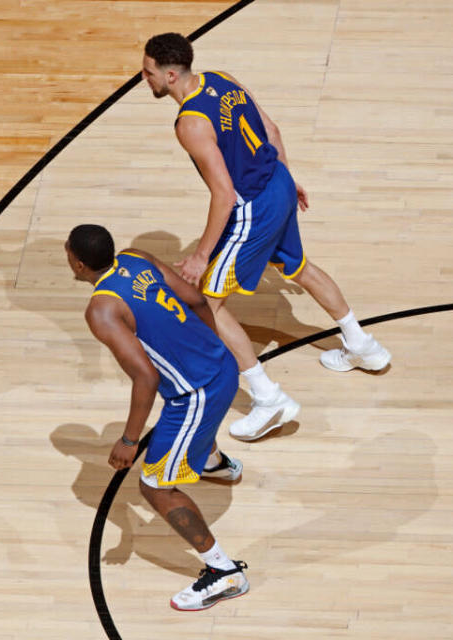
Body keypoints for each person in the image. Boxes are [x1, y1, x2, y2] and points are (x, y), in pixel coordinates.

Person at [140, 33, 391, 441]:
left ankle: (267, 398)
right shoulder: (223, 79)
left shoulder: (190, 122)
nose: (143, 77)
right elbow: (271, 129)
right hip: (276, 182)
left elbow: (223, 195)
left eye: (147, 71)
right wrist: (288, 181)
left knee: (207, 303)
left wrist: (202, 255)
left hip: (252, 206)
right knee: (299, 267)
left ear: (169, 75)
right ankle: (364, 346)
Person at [66, 223, 249, 611]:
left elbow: (145, 377)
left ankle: (223, 572)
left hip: (196, 394)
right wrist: (210, 347)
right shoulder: (137, 258)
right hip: (223, 365)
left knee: (154, 486)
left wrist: (130, 440)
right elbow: (198, 301)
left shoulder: (101, 309)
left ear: (78, 264)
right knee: (189, 432)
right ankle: (217, 464)